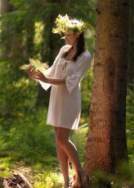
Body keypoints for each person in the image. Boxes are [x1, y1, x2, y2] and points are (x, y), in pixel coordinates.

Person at [27, 14, 92, 188]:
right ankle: (66, 181)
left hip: (70, 99)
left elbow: (72, 80)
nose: (66, 37)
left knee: (63, 138)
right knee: (58, 139)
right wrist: (37, 75)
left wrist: (48, 81)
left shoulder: (85, 56)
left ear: (78, 35)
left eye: (68, 34)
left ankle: (80, 173)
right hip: (56, 97)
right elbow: (53, 71)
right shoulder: (64, 49)